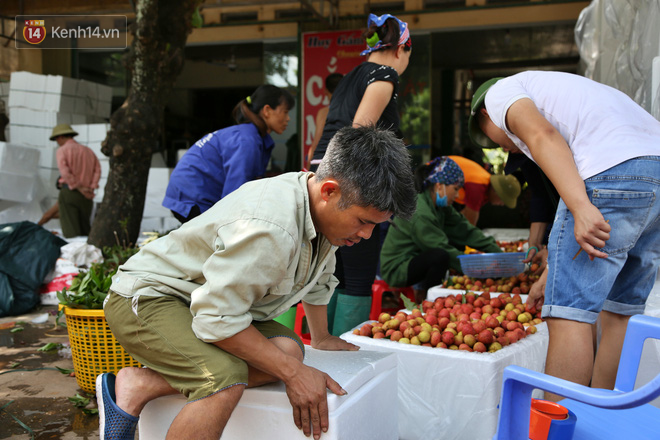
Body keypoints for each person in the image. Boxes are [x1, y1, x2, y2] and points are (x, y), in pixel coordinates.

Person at [97, 125, 417, 440]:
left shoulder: (323, 212)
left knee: (288, 351)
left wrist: (320, 338)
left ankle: (142, 384)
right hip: (149, 297)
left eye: (375, 225)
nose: (366, 235)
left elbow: (320, 277)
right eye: (363, 222)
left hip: (203, 300)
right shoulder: (272, 228)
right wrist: (294, 376)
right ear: (329, 191)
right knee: (225, 380)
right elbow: (216, 317)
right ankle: (145, 385)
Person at [468, 71, 660, 401]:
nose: (507, 147)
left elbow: (542, 136)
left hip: (613, 173)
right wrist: (552, 272)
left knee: (569, 314)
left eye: (497, 140)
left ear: (485, 113)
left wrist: (582, 206)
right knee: (619, 311)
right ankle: (599, 416)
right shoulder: (572, 91)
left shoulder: (500, 94)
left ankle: (557, 427)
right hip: (654, 173)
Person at [309, 13, 412, 336]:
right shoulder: (384, 75)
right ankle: (342, 356)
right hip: (350, 180)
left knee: (331, 270)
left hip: (324, 175)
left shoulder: (352, 75)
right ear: (401, 49)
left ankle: (322, 346)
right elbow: (359, 135)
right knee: (357, 274)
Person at [163, 84, 294, 223]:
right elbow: (234, 195)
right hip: (192, 198)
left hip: (187, 194)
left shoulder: (251, 136)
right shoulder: (247, 140)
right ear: (267, 110)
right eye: (285, 112)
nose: (288, 118)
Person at [380, 156, 502, 301]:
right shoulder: (420, 213)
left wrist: (497, 254)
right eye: (455, 189)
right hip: (397, 268)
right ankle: (432, 302)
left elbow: (465, 230)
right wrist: (478, 269)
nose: (457, 195)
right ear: (439, 186)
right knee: (440, 256)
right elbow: (440, 247)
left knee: (453, 246)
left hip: (415, 256)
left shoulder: (441, 206)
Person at [49, 123, 101, 238]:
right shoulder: (88, 151)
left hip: (70, 192)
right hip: (87, 196)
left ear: (60, 137)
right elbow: (97, 170)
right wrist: (91, 187)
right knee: (85, 229)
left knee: (71, 231)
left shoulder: (62, 150)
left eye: (56, 139)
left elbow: (65, 172)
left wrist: (78, 187)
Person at [449, 155, 521, 225]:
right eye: (503, 200)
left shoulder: (485, 189)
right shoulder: (478, 186)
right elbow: (470, 225)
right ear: (496, 191)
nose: (502, 204)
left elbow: (464, 216)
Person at [305, 73, 344, 169]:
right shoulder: (354, 110)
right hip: (344, 162)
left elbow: (317, 141)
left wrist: (307, 170)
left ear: (326, 91)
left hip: (322, 162)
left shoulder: (324, 112)